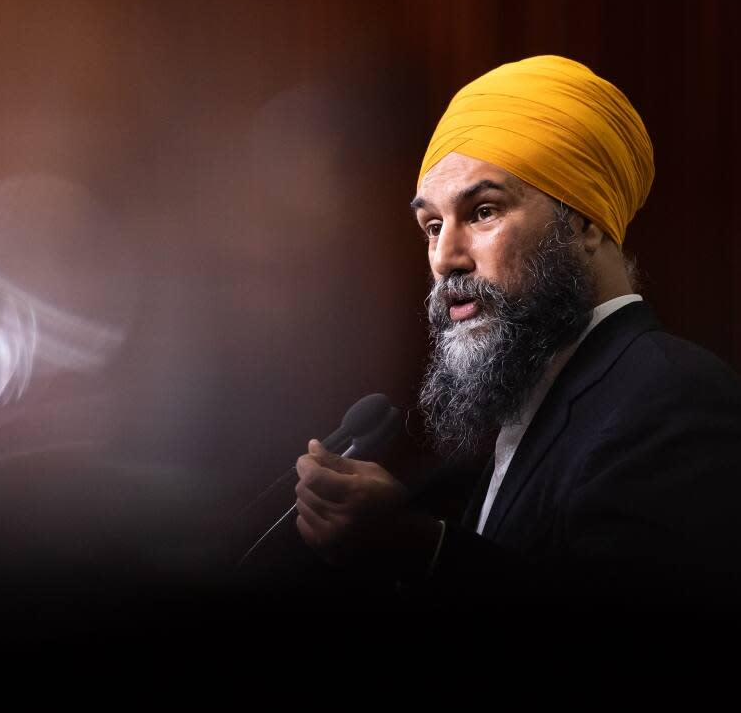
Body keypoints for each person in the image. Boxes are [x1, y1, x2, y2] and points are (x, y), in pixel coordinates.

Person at [293, 55, 741, 610]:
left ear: (585, 222)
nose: (445, 259)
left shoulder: (676, 399)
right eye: (433, 225)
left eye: (482, 212)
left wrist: (419, 546)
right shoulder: (533, 403)